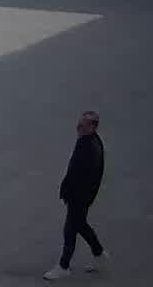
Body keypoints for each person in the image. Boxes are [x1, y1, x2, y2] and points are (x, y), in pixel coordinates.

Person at [45, 111, 107, 279]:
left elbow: (81, 175)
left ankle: (64, 266)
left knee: (70, 229)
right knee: (80, 225)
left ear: (93, 127)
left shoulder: (89, 146)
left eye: (84, 124)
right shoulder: (90, 141)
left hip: (80, 196)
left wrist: (70, 192)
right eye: (79, 122)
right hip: (81, 195)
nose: (78, 126)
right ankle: (99, 252)